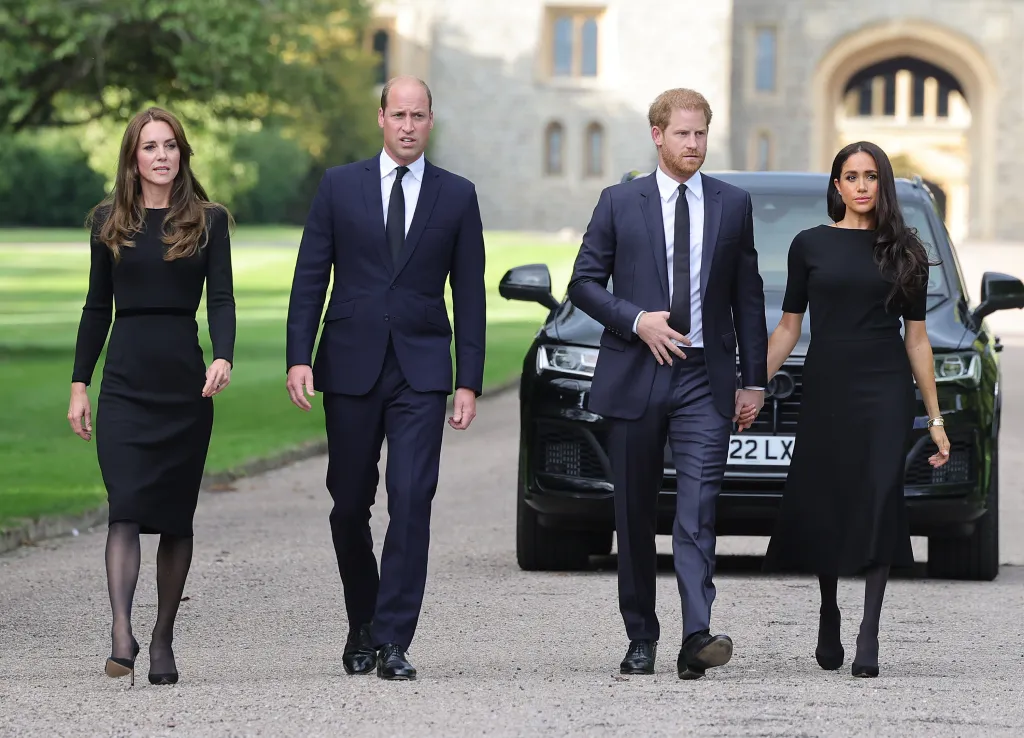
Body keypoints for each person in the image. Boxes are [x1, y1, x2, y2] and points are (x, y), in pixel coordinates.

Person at [285, 75, 486, 681]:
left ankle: (395, 639)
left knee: (411, 500)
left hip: (421, 370)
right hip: (348, 364)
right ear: (380, 118)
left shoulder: (457, 195)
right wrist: (299, 356)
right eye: (397, 114)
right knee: (349, 504)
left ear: (431, 120)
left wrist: (468, 379)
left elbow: (470, 294)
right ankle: (363, 621)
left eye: (418, 115)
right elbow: (310, 276)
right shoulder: (339, 186)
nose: (407, 125)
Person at [567, 88, 767, 680]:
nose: (694, 144)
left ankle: (697, 634)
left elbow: (747, 298)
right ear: (657, 135)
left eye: (702, 133)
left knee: (699, 509)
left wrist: (752, 380)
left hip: (705, 377)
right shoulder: (618, 202)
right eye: (683, 134)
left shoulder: (733, 204)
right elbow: (583, 282)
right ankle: (641, 637)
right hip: (638, 371)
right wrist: (635, 319)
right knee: (632, 512)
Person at [762, 141, 951, 678]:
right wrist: (752, 384)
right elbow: (788, 327)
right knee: (830, 496)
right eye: (852, 176)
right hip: (827, 385)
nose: (862, 185)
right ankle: (829, 608)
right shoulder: (809, 245)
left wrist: (935, 419)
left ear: (882, 184)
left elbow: (917, 341)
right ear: (837, 186)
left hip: (886, 388)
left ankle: (870, 629)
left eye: (871, 176)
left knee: (879, 495)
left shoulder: (906, 249)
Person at [68, 107, 236, 686]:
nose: (161, 155)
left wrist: (223, 355)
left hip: (183, 386)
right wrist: (78, 385)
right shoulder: (106, 221)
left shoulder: (209, 221)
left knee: (174, 518)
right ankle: (122, 634)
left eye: (170, 146)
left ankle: (162, 636)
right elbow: (95, 308)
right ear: (132, 157)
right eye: (149, 147)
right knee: (125, 508)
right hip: (124, 384)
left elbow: (222, 301)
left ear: (183, 154)